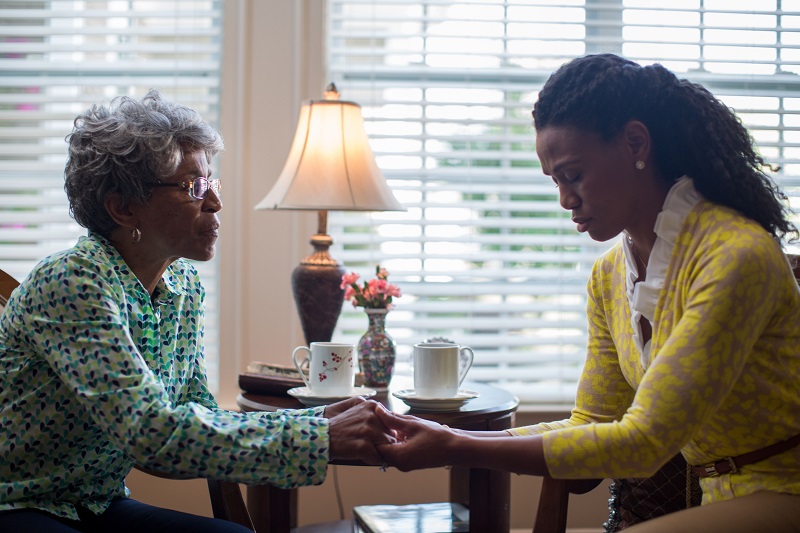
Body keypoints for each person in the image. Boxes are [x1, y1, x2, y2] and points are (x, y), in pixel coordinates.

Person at [376, 53, 800, 532]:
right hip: (716, 498)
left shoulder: (734, 254)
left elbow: (644, 443)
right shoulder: (608, 276)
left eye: (573, 174)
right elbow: (593, 422)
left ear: (635, 142)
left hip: (785, 490)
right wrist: (447, 434)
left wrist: (456, 446)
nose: (564, 199)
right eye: (555, 181)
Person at [0, 89, 393, 533]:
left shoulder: (183, 284)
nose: (215, 203)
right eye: (193, 187)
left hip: (96, 502)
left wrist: (318, 417)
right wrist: (319, 438)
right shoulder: (73, 282)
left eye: (213, 182)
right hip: (17, 501)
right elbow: (152, 436)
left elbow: (195, 408)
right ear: (124, 207)